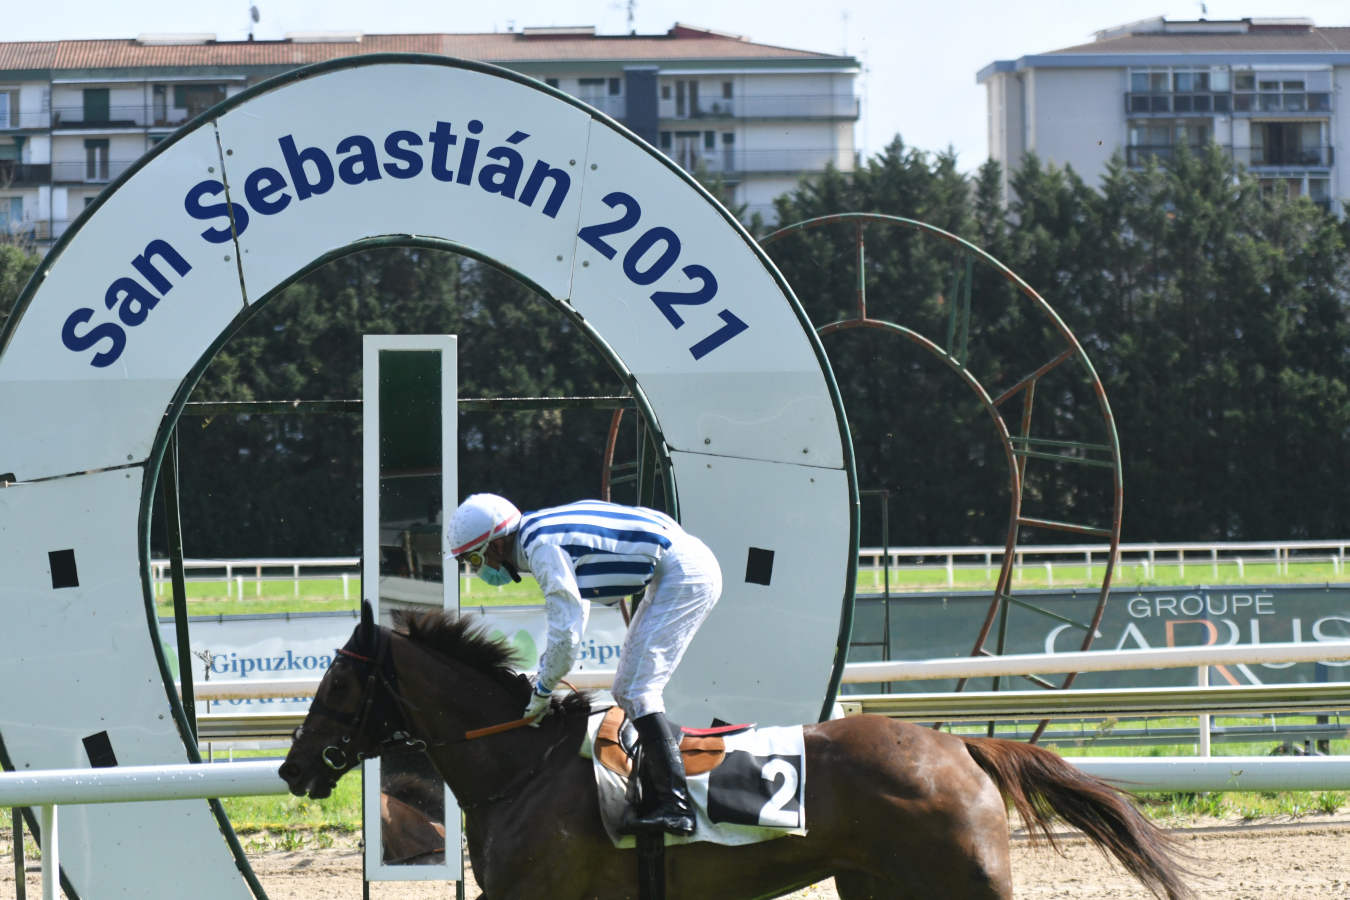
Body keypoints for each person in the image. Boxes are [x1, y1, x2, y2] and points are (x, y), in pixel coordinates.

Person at [447, 493, 722, 835]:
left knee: (638, 691)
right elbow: (575, 614)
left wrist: (543, 690)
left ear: (497, 546)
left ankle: (677, 808)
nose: (477, 568)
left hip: (683, 571)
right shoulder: (538, 533)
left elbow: (567, 636)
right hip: (676, 566)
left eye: (475, 557)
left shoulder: (541, 547)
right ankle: (659, 796)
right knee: (627, 689)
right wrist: (546, 676)